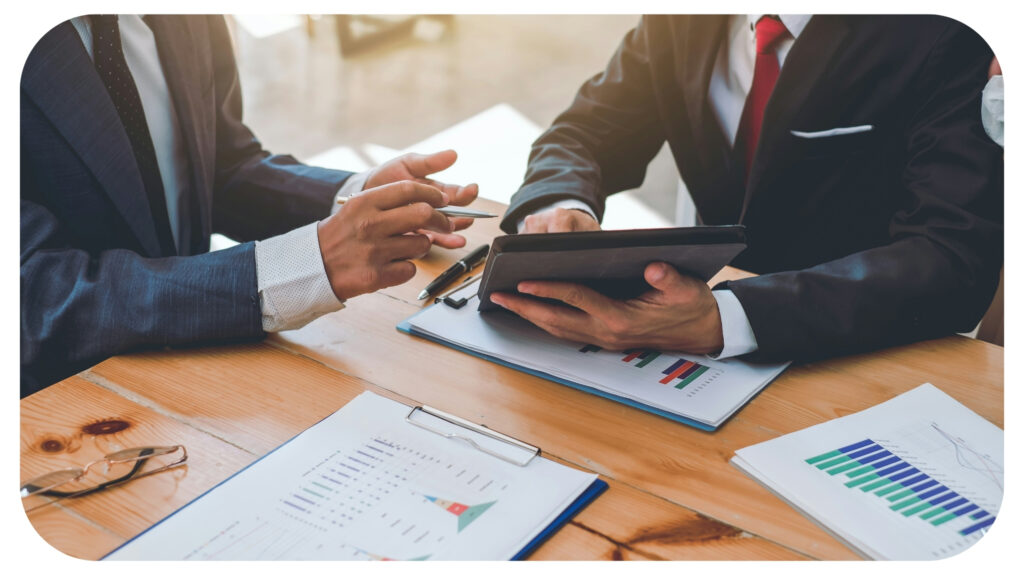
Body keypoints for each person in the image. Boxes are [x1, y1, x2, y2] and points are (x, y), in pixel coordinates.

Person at [491, 15, 1003, 363]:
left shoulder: (948, 34)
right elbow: (586, 132)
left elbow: (952, 257)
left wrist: (728, 319)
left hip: (859, 347)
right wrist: (557, 206)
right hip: (678, 336)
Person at [20, 15, 479, 396]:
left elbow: (220, 167)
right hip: (63, 406)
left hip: (207, 370)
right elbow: (37, 299)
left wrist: (355, 198)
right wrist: (299, 267)